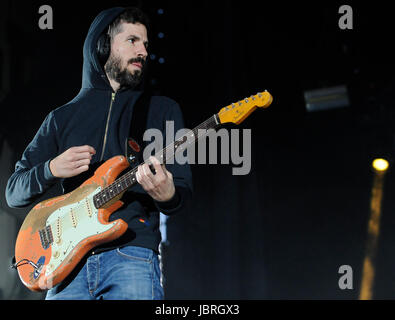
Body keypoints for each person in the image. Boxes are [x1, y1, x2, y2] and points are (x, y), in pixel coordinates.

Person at [5, 7, 192, 300]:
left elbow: (181, 191)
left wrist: (167, 193)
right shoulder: (60, 118)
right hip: (66, 269)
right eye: (132, 40)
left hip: (131, 255)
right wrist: (51, 168)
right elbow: (14, 192)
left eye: (146, 44)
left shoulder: (161, 110)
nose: (143, 50)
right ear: (103, 45)